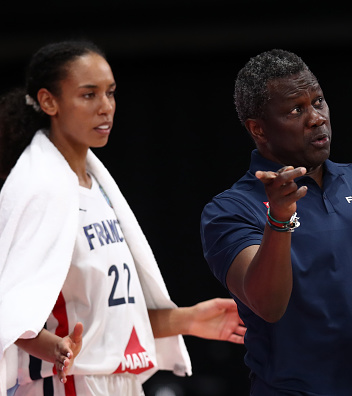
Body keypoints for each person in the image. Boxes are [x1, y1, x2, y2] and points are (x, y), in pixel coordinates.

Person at [0, 40, 246, 396]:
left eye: (111, 93)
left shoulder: (95, 184)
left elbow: (106, 319)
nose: (106, 108)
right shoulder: (39, 187)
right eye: (89, 95)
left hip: (118, 381)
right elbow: (9, 305)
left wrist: (187, 319)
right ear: (48, 101)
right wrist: (43, 343)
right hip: (66, 382)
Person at [200, 49, 352, 395]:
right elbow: (267, 305)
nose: (316, 118)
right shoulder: (229, 210)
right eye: (296, 110)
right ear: (258, 129)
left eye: (318, 101)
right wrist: (279, 219)